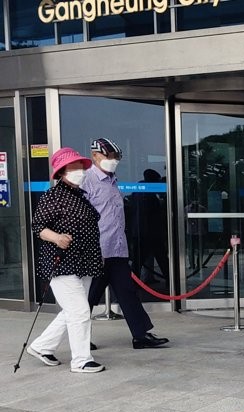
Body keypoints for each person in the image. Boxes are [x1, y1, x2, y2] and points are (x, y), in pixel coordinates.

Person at [83, 137, 170, 349]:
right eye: (109, 156)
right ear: (95, 156)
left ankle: (140, 335)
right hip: (98, 251)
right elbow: (79, 217)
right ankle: (79, 340)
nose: (113, 160)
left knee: (128, 291)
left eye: (116, 157)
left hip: (117, 249)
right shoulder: (87, 181)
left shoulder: (112, 181)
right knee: (88, 299)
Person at [26, 148, 106, 373]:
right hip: (61, 263)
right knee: (79, 311)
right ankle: (81, 360)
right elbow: (37, 226)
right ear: (62, 172)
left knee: (73, 310)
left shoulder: (80, 195)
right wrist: (57, 238)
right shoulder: (53, 196)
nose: (79, 172)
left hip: (85, 261)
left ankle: (42, 347)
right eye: (73, 168)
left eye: (81, 167)